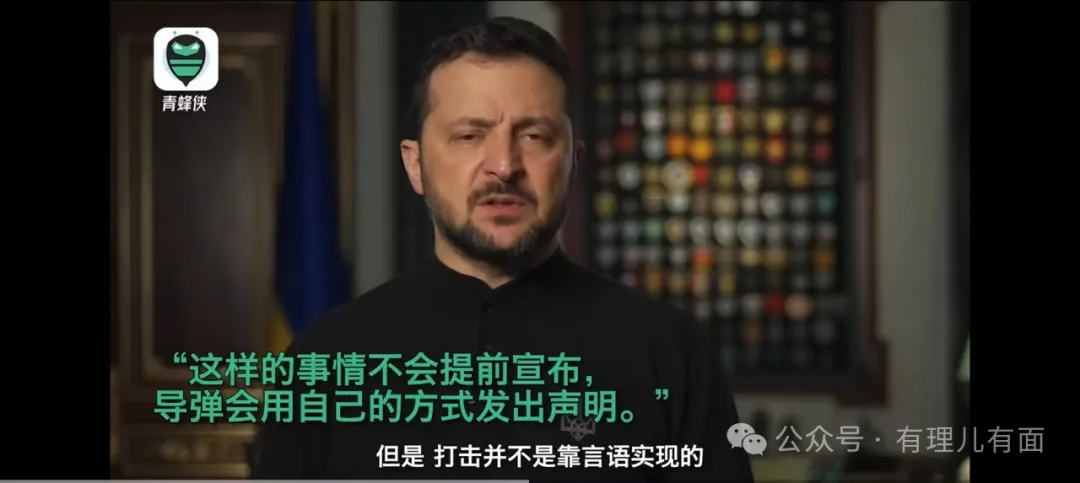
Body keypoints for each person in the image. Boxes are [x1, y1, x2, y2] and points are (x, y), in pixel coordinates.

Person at [253, 17, 754, 483]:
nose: (504, 165)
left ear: (573, 163)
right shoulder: (324, 361)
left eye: (534, 135)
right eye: (469, 136)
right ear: (415, 165)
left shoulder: (669, 353)